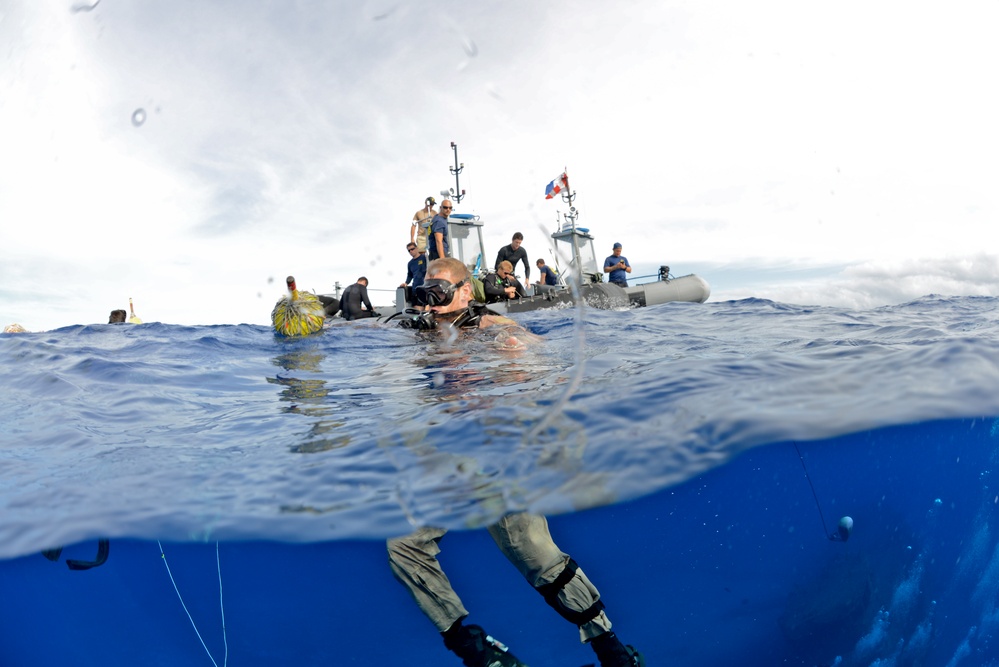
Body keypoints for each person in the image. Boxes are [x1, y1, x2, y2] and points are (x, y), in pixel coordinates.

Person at [389, 257, 644, 667]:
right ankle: (475, 651)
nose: (430, 302)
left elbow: (542, 358)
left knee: (539, 559)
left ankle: (610, 649)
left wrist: (521, 366)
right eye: (424, 292)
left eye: (439, 291)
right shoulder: (416, 331)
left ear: (466, 291)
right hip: (449, 458)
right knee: (402, 544)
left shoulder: (492, 329)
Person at [400, 242, 428, 308]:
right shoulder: (410, 263)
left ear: (417, 248)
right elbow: (410, 275)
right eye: (409, 250)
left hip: (425, 288)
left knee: (426, 309)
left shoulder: (425, 258)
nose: (411, 251)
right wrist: (406, 283)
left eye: (412, 249)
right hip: (415, 289)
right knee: (417, 311)